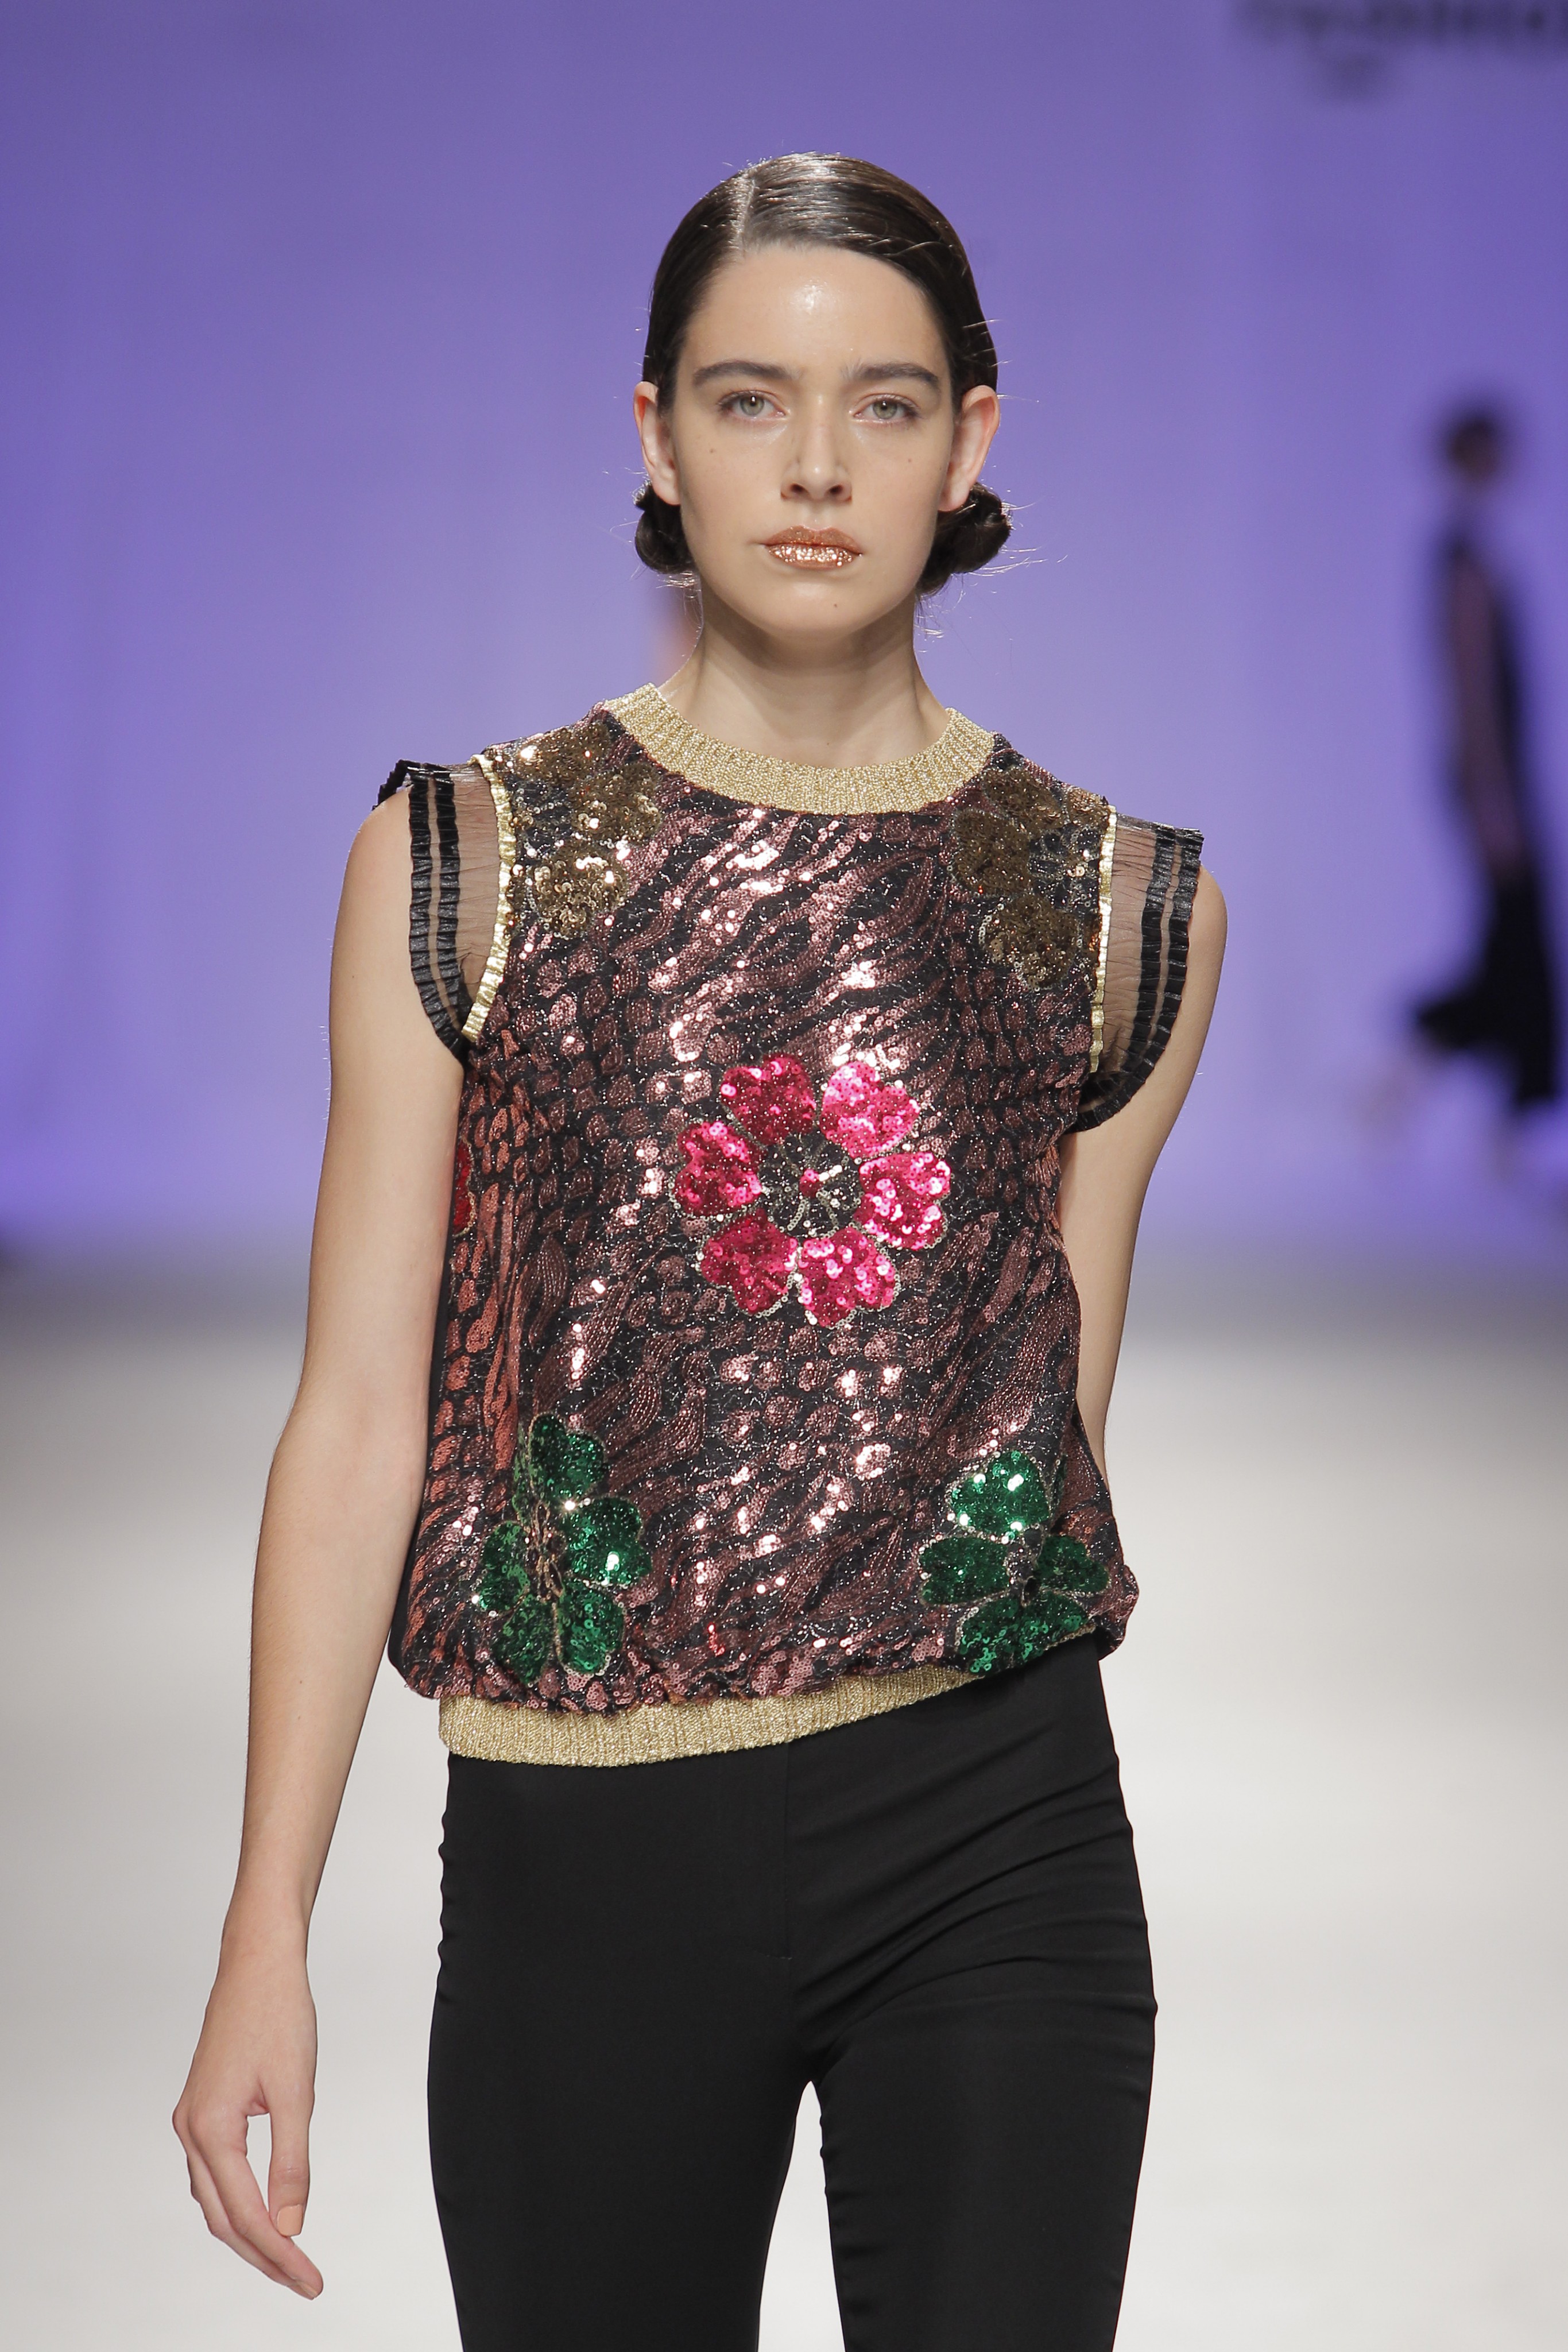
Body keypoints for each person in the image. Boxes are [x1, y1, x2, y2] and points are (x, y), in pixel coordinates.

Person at [175, 154, 1225, 2351]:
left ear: (970, 442)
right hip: (586, 1850)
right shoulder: (465, 862)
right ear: (655, 434)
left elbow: (1044, 1431)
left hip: (995, 1822)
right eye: (751, 401)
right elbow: (359, 1414)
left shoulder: (1119, 909)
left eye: (885, 405)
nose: (818, 466)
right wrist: (266, 1923)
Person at [1412, 405, 1561, 1135]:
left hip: (1493, 778)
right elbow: (1470, 688)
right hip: (1490, 781)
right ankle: (1523, 1119)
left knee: (1511, 953)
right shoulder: (1461, 561)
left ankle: (1416, 1072)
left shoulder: (1474, 553)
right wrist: (1492, 797)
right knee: (1521, 951)